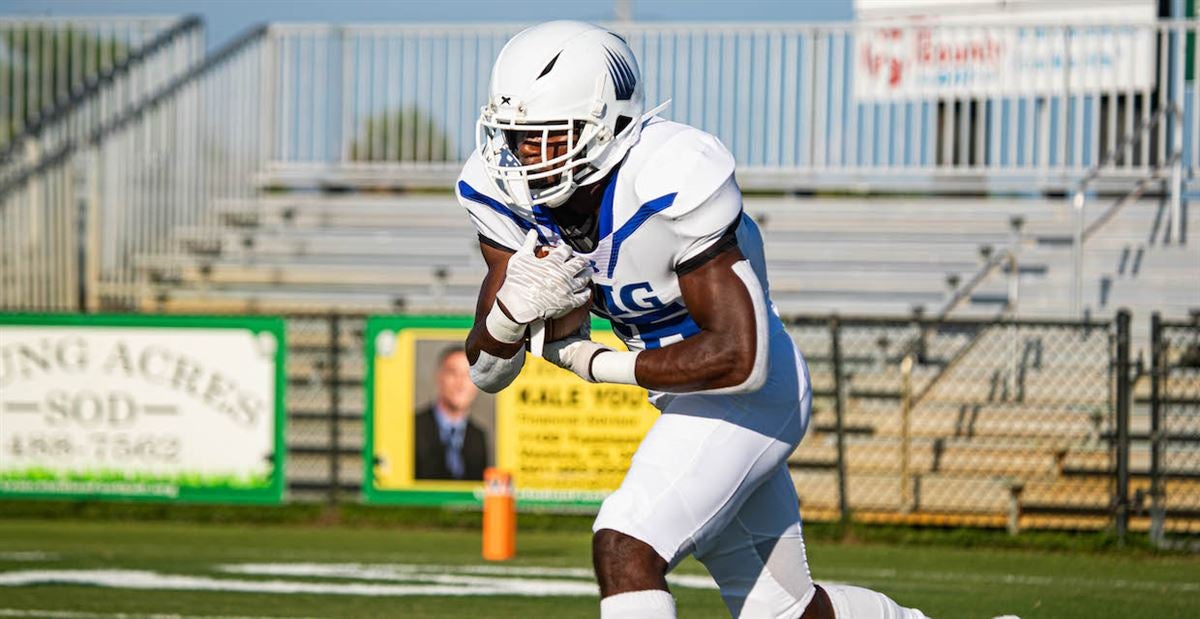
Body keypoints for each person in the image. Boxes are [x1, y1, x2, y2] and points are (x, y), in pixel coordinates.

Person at [457, 21, 928, 619]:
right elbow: (486, 374)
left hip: (752, 392)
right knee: (782, 612)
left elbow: (742, 359)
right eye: (517, 138)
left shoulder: (667, 172)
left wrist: (598, 363)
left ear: (606, 125)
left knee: (626, 544)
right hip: (683, 398)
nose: (527, 157)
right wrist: (508, 314)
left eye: (547, 137)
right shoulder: (502, 195)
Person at [414, 345, 488, 481]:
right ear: (439, 378)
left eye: (469, 375)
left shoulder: (479, 436)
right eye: (453, 373)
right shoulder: (413, 427)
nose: (461, 383)